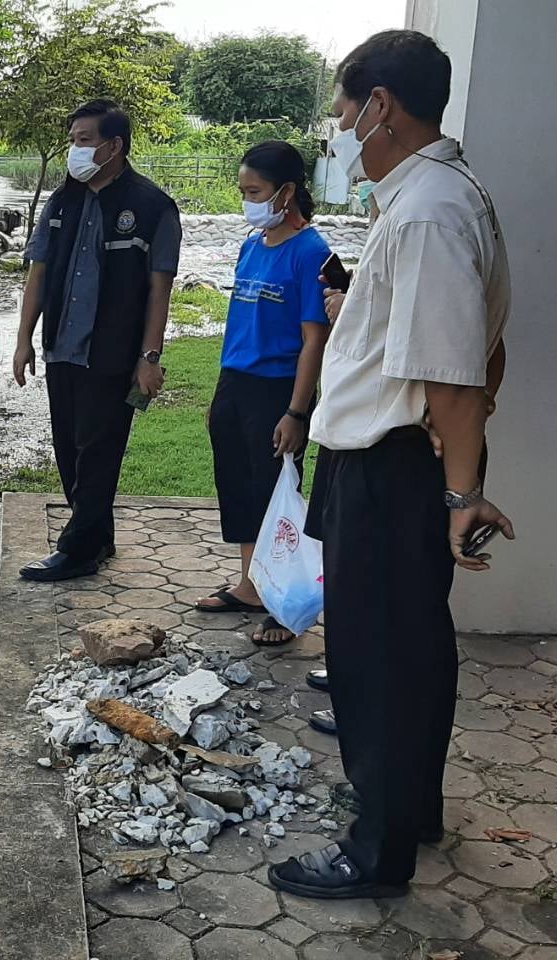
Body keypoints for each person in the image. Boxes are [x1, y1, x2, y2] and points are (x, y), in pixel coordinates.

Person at [265, 29, 513, 901]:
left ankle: (377, 851)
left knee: (380, 660)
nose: (336, 131)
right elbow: (485, 349)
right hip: (388, 459)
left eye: (342, 111)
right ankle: (410, 808)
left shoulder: (429, 211)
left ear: (380, 106)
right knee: (409, 648)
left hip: (393, 468)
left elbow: (455, 375)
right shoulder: (434, 196)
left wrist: (461, 492)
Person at [13, 99, 181, 581]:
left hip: (112, 353)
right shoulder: (62, 201)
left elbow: (159, 289)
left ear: (114, 146)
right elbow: (38, 272)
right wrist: (24, 340)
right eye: (73, 141)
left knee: (98, 451)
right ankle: (98, 536)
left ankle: (79, 549)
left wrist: (149, 357)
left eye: (84, 141)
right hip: (62, 347)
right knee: (68, 447)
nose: (76, 150)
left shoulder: (152, 207)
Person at [194, 140, 332, 646]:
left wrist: (296, 411)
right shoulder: (252, 245)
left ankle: (283, 602)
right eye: (243, 192)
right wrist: (220, 392)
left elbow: (314, 339)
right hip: (237, 382)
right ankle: (251, 586)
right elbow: (238, 324)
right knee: (238, 486)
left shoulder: (312, 253)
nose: (247, 202)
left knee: (276, 495)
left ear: (286, 192)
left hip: (278, 389)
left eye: (254, 192)